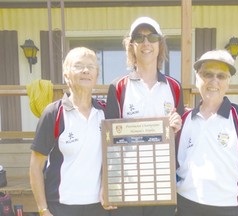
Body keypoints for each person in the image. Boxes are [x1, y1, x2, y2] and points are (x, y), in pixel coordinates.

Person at [105, 17, 184, 216]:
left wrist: (177, 126)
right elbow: (107, 143)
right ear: (131, 46)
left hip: (162, 183)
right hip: (127, 183)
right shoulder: (118, 87)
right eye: (139, 37)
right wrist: (107, 184)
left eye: (152, 37)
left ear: (160, 44)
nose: (146, 42)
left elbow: (180, 139)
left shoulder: (174, 87)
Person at [176, 49, 238, 216]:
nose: (214, 81)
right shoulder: (184, 119)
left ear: (228, 82)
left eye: (221, 76)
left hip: (229, 209)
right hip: (186, 207)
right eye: (207, 74)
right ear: (197, 78)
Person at [29, 47, 108, 216]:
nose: (86, 70)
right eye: (78, 66)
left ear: (96, 75)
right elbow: (36, 166)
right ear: (66, 74)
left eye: (91, 66)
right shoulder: (53, 114)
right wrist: (43, 210)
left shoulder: (105, 113)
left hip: (99, 207)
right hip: (61, 207)